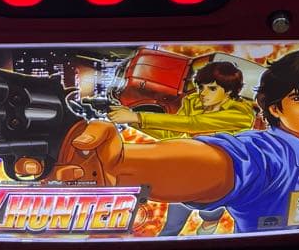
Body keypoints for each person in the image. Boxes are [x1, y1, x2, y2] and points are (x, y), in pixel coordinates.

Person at [53, 45, 299, 235]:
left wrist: (138, 121)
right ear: (276, 107)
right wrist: (125, 164)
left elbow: (193, 125)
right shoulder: (269, 153)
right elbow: (228, 161)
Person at [109, 62, 255, 236]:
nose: (203, 93)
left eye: (212, 89)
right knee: (171, 227)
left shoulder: (241, 114)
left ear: (229, 91)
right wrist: (132, 121)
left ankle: (211, 221)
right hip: (188, 169)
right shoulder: (193, 102)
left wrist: (138, 116)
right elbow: (171, 134)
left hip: (220, 178)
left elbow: (193, 124)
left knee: (209, 215)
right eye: (201, 87)